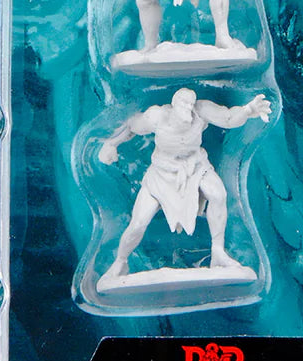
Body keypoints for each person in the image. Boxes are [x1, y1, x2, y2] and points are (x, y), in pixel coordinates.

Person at [97, 88, 271, 279]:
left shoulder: (200, 111)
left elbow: (228, 118)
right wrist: (111, 144)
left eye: (190, 103)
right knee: (138, 223)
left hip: (195, 167)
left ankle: (218, 252)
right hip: (162, 173)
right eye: (184, 103)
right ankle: (120, 262)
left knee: (218, 194)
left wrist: (248, 110)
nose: (188, 107)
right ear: (174, 104)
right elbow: (132, 125)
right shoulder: (157, 117)